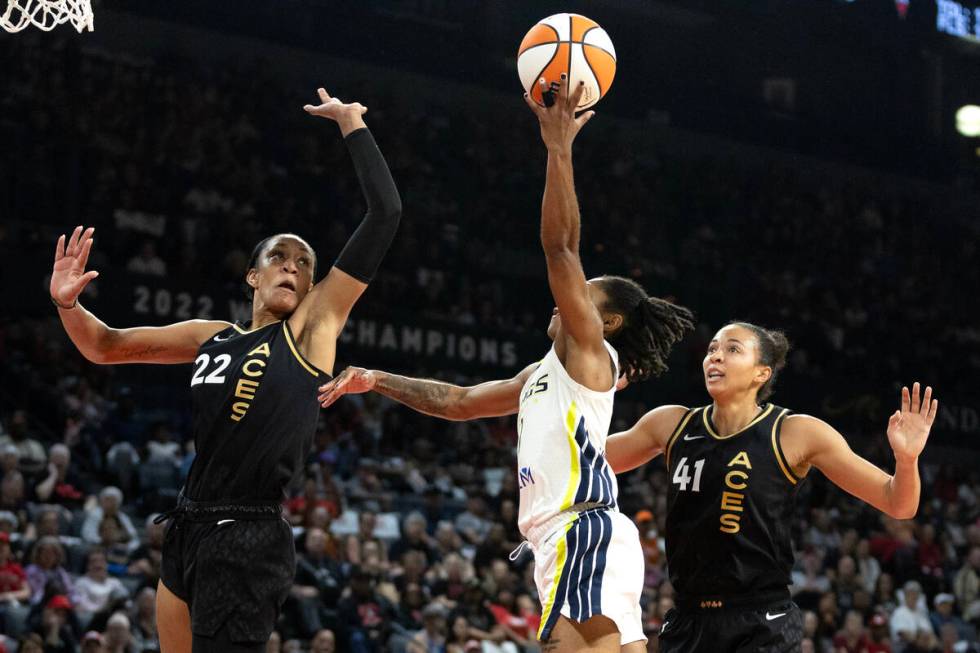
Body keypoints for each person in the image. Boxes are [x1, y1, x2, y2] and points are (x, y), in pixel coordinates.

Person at [318, 77, 695, 652]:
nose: (564, 298)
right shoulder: (542, 375)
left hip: (580, 528)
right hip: (574, 536)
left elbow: (560, 249)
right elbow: (461, 403)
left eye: (583, 295)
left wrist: (558, 147)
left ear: (607, 321)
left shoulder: (589, 352)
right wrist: (376, 380)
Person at [50, 87, 402, 653]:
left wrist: (352, 124)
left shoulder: (312, 329)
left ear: (312, 286)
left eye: (303, 264)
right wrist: (69, 304)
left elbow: (385, 215)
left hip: (250, 531)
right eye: (278, 259)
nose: (291, 266)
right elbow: (106, 346)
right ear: (252, 276)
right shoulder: (212, 336)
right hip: (188, 523)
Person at [602, 321, 939, 652]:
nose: (715, 356)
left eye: (732, 349)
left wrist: (907, 460)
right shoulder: (671, 423)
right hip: (688, 620)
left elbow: (899, 504)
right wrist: (596, 397)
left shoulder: (795, 432)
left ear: (761, 372)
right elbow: (586, 461)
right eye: (712, 349)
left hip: (762, 622)